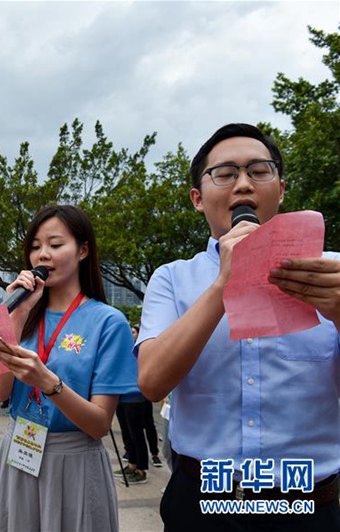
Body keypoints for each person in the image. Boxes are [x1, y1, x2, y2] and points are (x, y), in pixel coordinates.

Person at [136, 123, 340, 530]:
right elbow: (152, 382)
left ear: (281, 189)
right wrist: (224, 284)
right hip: (202, 502)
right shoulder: (172, 279)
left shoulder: (331, 273)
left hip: (309, 507)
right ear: (198, 197)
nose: (243, 184)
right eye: (226, 174)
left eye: (258, 171)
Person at [0, 204, 138, 531]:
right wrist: (18, 315)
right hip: (18, 451)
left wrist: (48, 382)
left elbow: (99, 425)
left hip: (74, 463)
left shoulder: (108, 322)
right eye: (36, 247)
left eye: (55, 245)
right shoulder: (21, 314)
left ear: (83, 250)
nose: (43, 255)